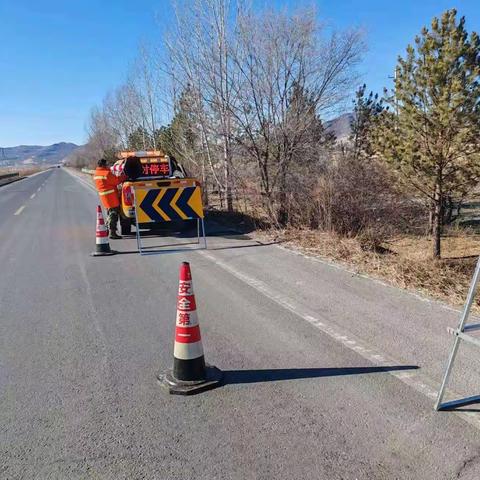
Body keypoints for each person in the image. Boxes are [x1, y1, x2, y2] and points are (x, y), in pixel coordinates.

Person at [93, 158, 127, 239]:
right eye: (107, 164)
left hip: (104, 196)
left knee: (110, 212)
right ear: (104, 165)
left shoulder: (96, 173)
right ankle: (112, 232)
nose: (108, 165)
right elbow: (116, 181)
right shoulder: (107, 174)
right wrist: (124, 176)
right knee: (113, 214)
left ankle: (107, 229)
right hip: (111, 197)